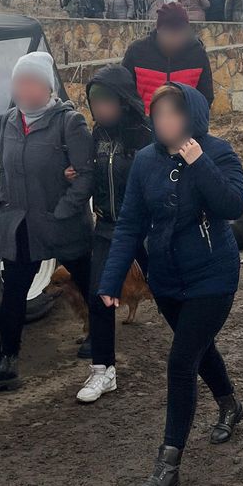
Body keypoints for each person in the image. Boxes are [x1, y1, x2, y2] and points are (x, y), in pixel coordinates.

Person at [98, 83, 243, 486]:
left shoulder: (217, 152)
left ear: (192, 117)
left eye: (174, 114)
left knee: (182, 360)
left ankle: (168, 461)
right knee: (199, 348)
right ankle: (230, 404)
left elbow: (233, 206)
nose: (165, 123)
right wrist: (111, 280)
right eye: (159, 115)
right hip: (165, 278)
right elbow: (129, 223)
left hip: (213, 276)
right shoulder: (146, 161)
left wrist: (198, 161)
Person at [0, 52, 95, 394]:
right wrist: (5, 205)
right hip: (21, 224)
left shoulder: (69, 122)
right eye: (18, 83)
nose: (22, 90)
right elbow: (4, 169)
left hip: (62, 225)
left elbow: (85, 175)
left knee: (87, 281)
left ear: (47, 87)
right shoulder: (9, 121)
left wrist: (64, 211)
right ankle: (6, 362)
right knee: (13, 293)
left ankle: (100, 337)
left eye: (30, 83)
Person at [70, 64, 152, 401]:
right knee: (99, 296)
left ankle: (194, 352)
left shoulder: (146, 134)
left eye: (106, 101)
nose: (100, 109)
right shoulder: (97, 136)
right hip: (106, 226)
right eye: (95, 102)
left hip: (145, 228)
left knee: (167, 289)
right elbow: (92, 173)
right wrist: (74, 174)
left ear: (123, 101)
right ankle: (103, 371)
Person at [122, 3, 214, 112]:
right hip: (143, 125)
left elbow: (205, 97)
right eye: (169, 33)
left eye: (180, 33)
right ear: (158, 30)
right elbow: (124, 93)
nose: (175, 39)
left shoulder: (197, 53)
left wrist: (189, 121)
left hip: (185, 126)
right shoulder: (137, 51)